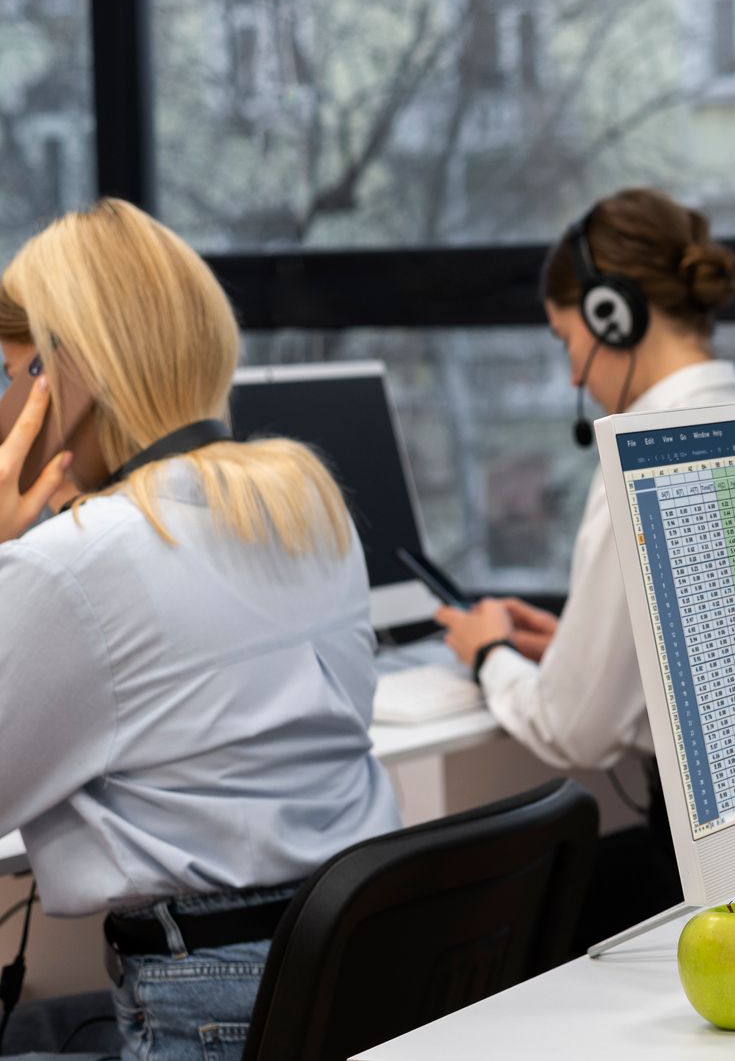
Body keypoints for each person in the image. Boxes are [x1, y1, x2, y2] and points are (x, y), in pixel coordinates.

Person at [0, 200, 400, 1060]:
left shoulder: (74, 563)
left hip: (208, 1010)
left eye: (7, 372)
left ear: (58, 376)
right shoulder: (303, 499)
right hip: (345, 978)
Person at [437, 188, 735, 938]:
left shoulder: (644, 458)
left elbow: (574, 732)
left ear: (613, 315)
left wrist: (491, 656)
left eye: (564, 337)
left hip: (693, 868)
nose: (574, 369)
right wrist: (578, 645)